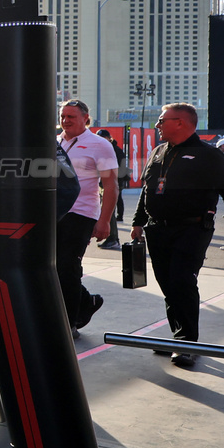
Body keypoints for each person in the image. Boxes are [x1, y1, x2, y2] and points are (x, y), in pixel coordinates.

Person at [131, 103, 224, 369]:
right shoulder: (158, 151)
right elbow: (147, 190)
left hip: (191, 229)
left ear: (180, 122)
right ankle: (178, 337)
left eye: (162, 120)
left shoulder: (209, 155)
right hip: (157, 229)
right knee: (168, 284)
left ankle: (187, 343)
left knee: (182, 280)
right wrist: (137, 222)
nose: (158, 125)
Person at [57, 100, 118, 334]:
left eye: (71, 116)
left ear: (86, 118)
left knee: (67, 267)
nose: (66, 120)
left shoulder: (100, 145)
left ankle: (69, 323)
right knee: (52, 267)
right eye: (63, 116)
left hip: (81, 214)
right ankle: (86, 301)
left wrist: (104, 221)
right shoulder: (54, 142)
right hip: (53, 214)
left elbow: (111, 185)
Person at [96, 129, 126, 248]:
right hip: (105, 183)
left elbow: (119, 168)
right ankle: (112, 238)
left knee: (110, 209)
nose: (102, 141)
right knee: (109, 208)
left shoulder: (114, 150)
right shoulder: (103, 149)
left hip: (114, 183)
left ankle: (113, 238)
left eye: (104, 138)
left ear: (109, 138)